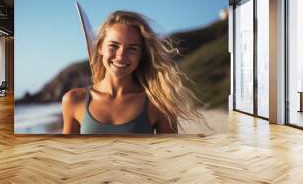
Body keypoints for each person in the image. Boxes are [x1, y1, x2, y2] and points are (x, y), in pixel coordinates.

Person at [62, 10, 206, 134]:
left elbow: (170, 158)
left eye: (132, 48)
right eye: (114, 45)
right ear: (100, 47)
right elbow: (65, 158)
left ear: (141, 54)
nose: (121, 56)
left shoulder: (159, 104)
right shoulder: (74, 100)